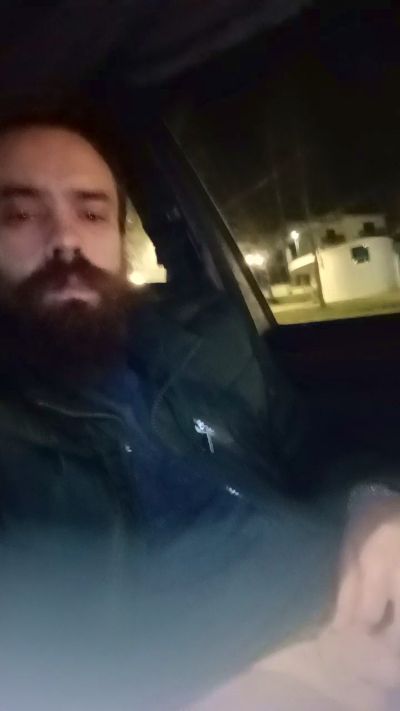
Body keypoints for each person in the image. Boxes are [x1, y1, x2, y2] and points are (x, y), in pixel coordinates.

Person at [0, 112, 400, 709]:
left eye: (92, 214)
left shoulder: (205, 336)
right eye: (19, 215)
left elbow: (315, 448)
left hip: (358, 596)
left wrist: (374, 501)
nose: (66, 240)